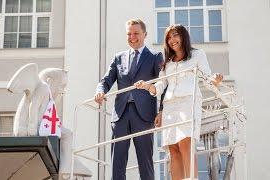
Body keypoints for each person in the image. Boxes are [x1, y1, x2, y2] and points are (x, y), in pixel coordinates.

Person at [134, 24, 223, 180]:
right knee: (173, 148)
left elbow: (207, 79)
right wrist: (147, 86)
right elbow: (160, 86)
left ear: (183, 36)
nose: (172, 40)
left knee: (186, 143)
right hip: (170, 106)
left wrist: (215, 80)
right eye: (169, 37)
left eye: (175, 35)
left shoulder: (197, 55)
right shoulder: (167, 61)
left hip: (188, 102)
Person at [94, 19, 163, 180]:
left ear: (145, 34)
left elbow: (163, 84)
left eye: (136, 33)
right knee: (117, 160)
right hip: (121, 114)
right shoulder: (118, 57)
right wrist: (100, 91)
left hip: (144, 115)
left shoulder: (154, 56)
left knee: (145, 161)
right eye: (129, 34)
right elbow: (106, 80)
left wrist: (161, 111)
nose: (132, 37)